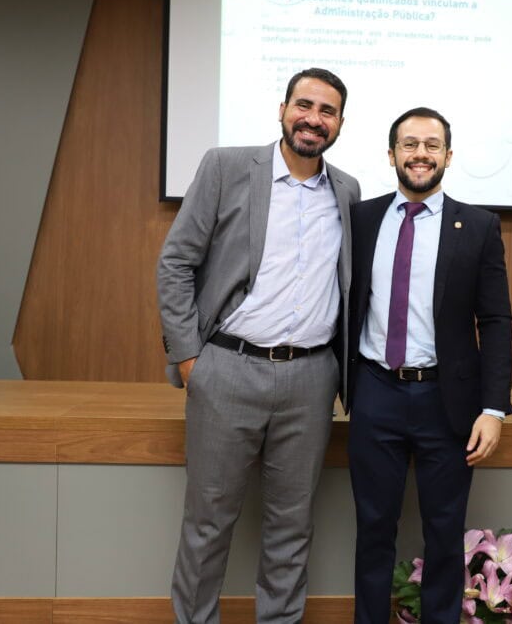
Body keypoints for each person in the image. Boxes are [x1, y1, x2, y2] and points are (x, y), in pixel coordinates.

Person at [157, 68, 360, 624]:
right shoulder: (226, 167)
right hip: (227, 368)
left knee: (292, 526)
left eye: (327, 111)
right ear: (282, 109)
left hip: (311, 379)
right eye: (304, 104)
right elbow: (176, 262)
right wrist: (190, 359)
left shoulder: (346, 190)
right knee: (208, 520)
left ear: (340, 123)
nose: (313, 118)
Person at [346, 107, 512, 624]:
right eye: (410, 143)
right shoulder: (361, 218)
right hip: (375, 391)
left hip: (448, 401)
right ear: (392, 153)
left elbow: (497, 318)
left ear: (448, 155)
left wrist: (493, 408)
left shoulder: (479, 225)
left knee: (445, 531)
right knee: (374, 527)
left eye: (432, 144)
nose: (421, 154)